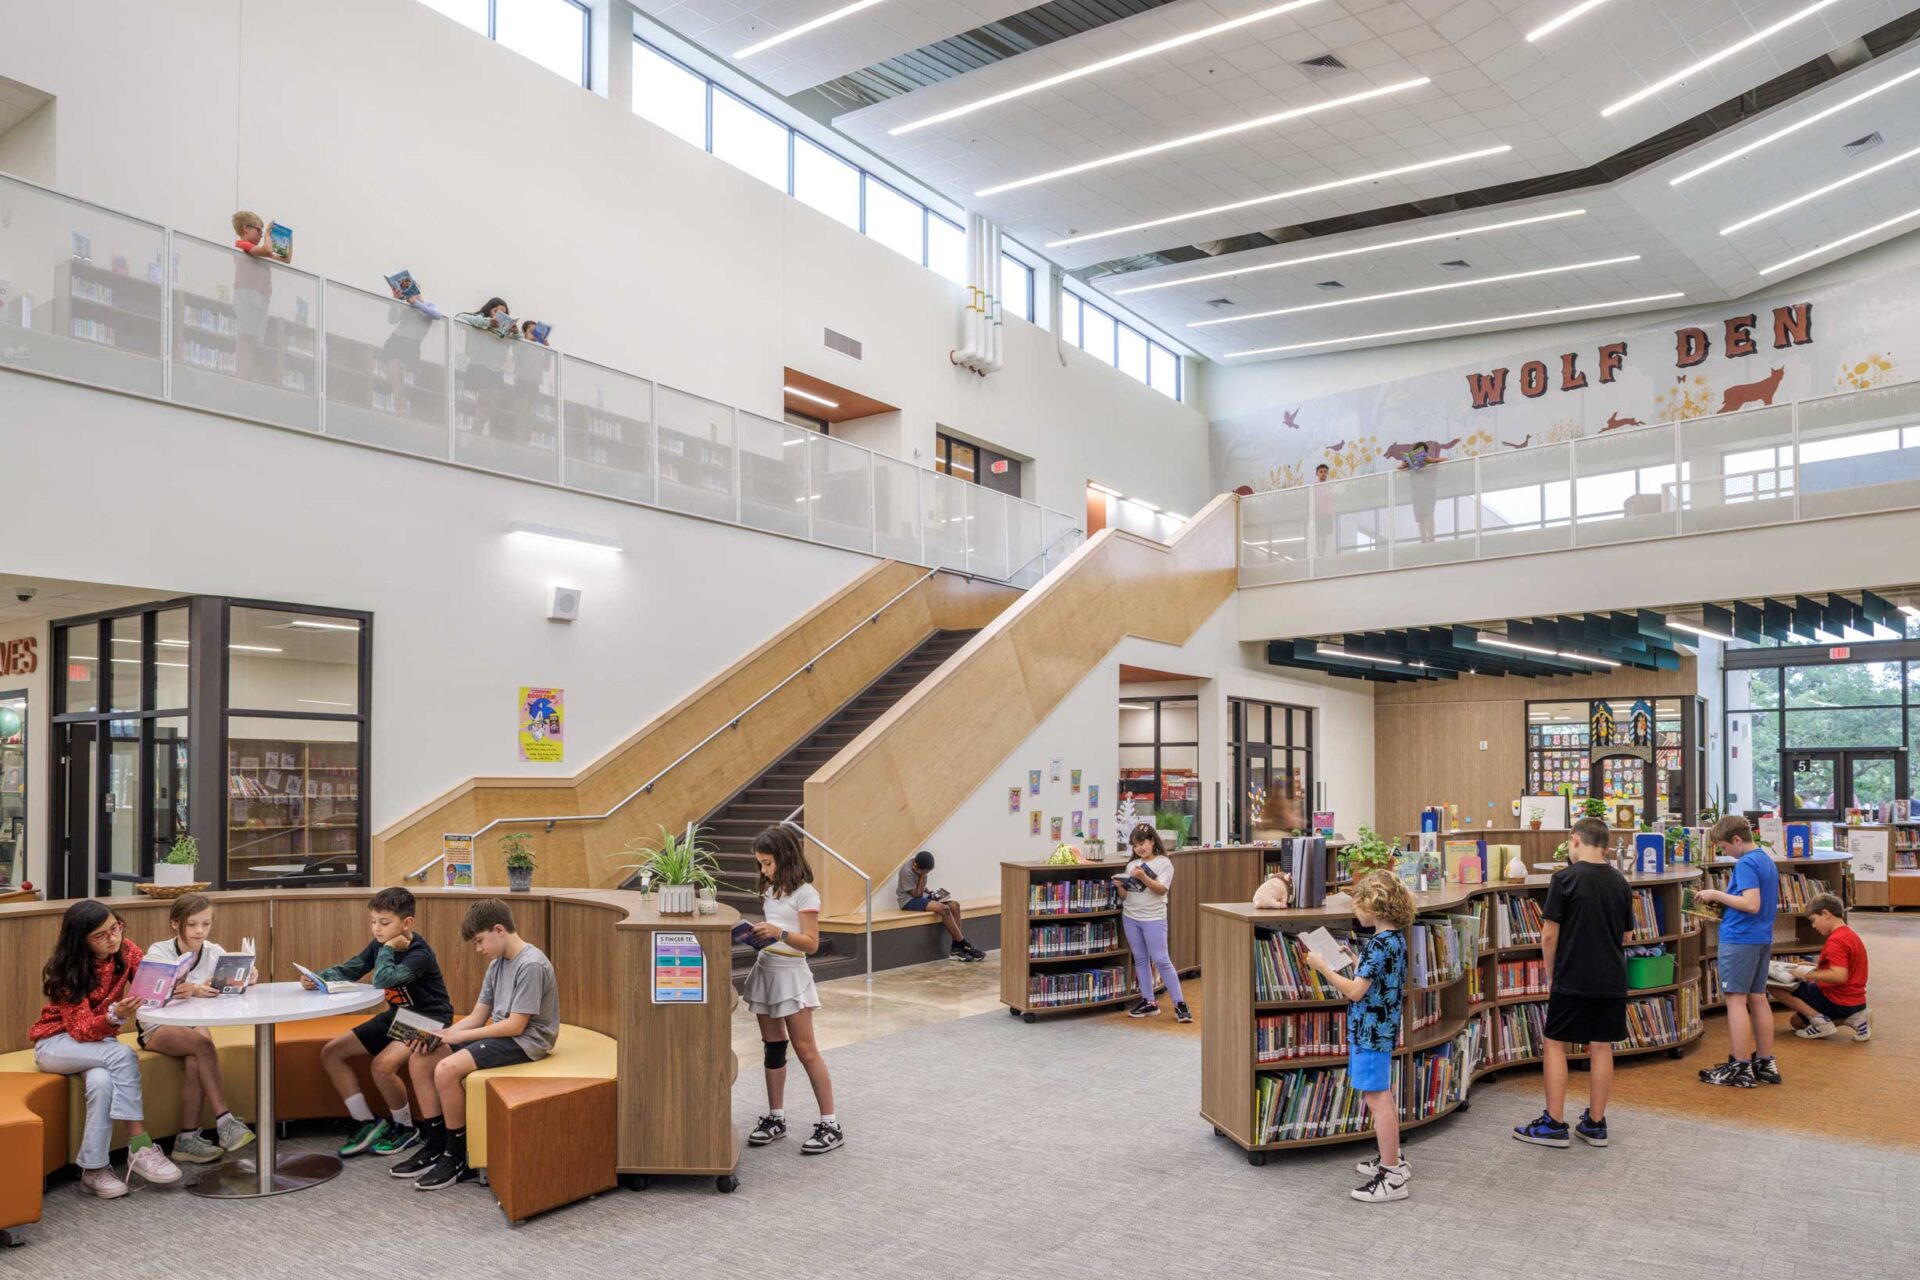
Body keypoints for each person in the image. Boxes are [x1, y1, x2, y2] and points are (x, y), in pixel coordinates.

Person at [389, 898, 559, 1190]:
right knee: (421, 1058)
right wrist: (444, 1035)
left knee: (446, 1069)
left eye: (480, 941)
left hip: (526, 1041)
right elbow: (479, 1016)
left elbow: (516, 1025)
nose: (479, 950)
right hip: (502, 1033)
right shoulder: (497, 965)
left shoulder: (530, 965)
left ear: (499, 930)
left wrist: (459, 1038)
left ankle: (457, 1157)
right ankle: (436, 1143)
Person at [29, 901, 184, 1196]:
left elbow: (152, 979)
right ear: (81, 940)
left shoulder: (126, 951)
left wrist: (177, 977)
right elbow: (79, 1029)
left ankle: (94, 1169)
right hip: (55, 1045)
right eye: (101, 935)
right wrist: (116, 1015)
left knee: (102, 1082)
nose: (113, 937)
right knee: (123, 1053)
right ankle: (139, 1144)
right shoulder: (68, 971)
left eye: (115, 927)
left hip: (96, 1046)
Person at [302, 886, 454, 1156]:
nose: (376, 929)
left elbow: (382, 979)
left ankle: (406, 1128)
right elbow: (352, 968)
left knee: (382, 1066)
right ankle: (366, 1121)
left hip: (428, 1020)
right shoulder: (380, 945)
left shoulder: (420, 953)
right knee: (332, 1052)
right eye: (373, 921)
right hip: (397, 1015)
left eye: (384, 923)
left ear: (407, 923)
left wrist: (388, 949)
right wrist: (318, 977)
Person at [1513, 816, 1631, 1149]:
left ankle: (1554, 1123)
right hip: (1612, 978)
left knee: (1555, 1043)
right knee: (1601, 1046)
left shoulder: (1564, 879)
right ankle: (1595, 1123)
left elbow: (1549, 934)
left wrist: (1552, 973)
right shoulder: (1621, 882)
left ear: (1574, 840)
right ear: (1606, 845)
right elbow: (1626, 935)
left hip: (1573, 976)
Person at [1303, 870, 1414, 1203]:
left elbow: (1354, 992)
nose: (1355, 911)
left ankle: (1392, 1176)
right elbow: (1379, 979)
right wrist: (1355, 959)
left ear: (1375, 906)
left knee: (1376, 1099)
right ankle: (1392, 1159)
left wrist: (1324, 968)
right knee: (1383, 1096)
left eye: (1359, 904)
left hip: (1370, 1032)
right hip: (1383, 1028)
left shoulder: (1379, 944)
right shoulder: (1393, 939)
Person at [743, 825, 843, 1155]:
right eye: (760, 863)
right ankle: (776, 1118)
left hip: (791, 976)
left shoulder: (806, 894)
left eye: (767, 863)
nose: (763, 870)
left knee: (806, 1049)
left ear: (785, 857)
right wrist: (758, 937)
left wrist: (779, 933)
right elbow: (775, 934)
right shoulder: (771, 890)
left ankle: (830, 1124)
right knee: (773, 1047)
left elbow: (811, 944)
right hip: (767, 971)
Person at [136, 893, 257, 1163]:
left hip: (194, 1023)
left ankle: (187, 1139)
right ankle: (225, 1119)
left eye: (205, 924)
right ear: (175, 924)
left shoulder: (214, 952)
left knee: (195, 1061)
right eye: (192, 925)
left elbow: (230, 984)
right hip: (158, 1027)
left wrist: (248, 975)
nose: (200, 931)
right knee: (203, 1045)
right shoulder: (159, 952)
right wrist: (189, 989)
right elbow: (148, 997)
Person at [1695, 816, 1782, 1087]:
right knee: (1758, 997)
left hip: (1740, 938)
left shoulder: (1746, 863)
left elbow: (1751, 903)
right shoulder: (1765, 859)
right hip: (1760, 937)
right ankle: (1765, 1061)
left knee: (1735, 1000)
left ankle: (1741, 1066)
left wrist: (1716, 895)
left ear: (1736, 840)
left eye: (1723, 847)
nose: (1724, 853)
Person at [1767, 892, 1870, 1041]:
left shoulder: (1835, 941)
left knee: (1774, 986)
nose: (1813, 926)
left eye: (1814, 920)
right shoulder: (1850, 935)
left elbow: (1839, 975)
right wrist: (1815, 966)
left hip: (1836, 999)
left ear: (1826, 913)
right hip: (1855, 1000)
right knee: (1796, 1022)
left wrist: (1805, 974)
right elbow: (1846, 967)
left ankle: (1820, 1022)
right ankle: (1856, 1017)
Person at [1114, 824, 1190, 1022]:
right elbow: (1126, 896)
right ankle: (1148, 1001)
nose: (1139, 848)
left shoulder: (1164, 863)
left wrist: (1142, 876)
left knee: (1161, 959)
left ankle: (1180, 1004)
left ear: (1152, 841)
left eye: (1142, 843)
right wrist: (1120, 886)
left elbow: (1162, 890)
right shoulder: (1132, 866)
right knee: (1140, 958)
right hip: (1131, 916)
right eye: (1135, 845)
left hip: (1154, 918)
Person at [230, 211, 287, 382]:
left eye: (264, 232)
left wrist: (285, 242)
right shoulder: (242, 244)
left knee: (253, 339)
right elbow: (266, 249)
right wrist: (269, 236)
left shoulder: (258, 250)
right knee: (245, 336)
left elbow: (286, 259)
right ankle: (242, 374)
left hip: (260, 298)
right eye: (260, 231)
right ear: (246, 228)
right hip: (248, 295)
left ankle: (246, 373)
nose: (262, 236)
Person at [895, 850, 983, 961]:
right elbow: (917, 895)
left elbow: (922, 890)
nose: (927, 873)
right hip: (908, 901)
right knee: (944, 909)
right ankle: (963, 943)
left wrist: (931, 892)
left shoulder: (922, 866)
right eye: (926, 871)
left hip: (921, 896)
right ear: (917, 866)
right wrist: (922, 875)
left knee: (955, 905)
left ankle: (956, 949)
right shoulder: (906, 871)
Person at [1312, 462, 1335, 557]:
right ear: (1317, 473)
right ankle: (1318, 552)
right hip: (1319, 513)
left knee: (1325, 534)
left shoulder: (1330, 485)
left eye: (1325, 472)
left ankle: (1323, 552)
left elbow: (1332, 498)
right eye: (1321, 471)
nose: (1323, 473)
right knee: (1318, 533)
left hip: (1328, 513)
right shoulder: (1314, 486)